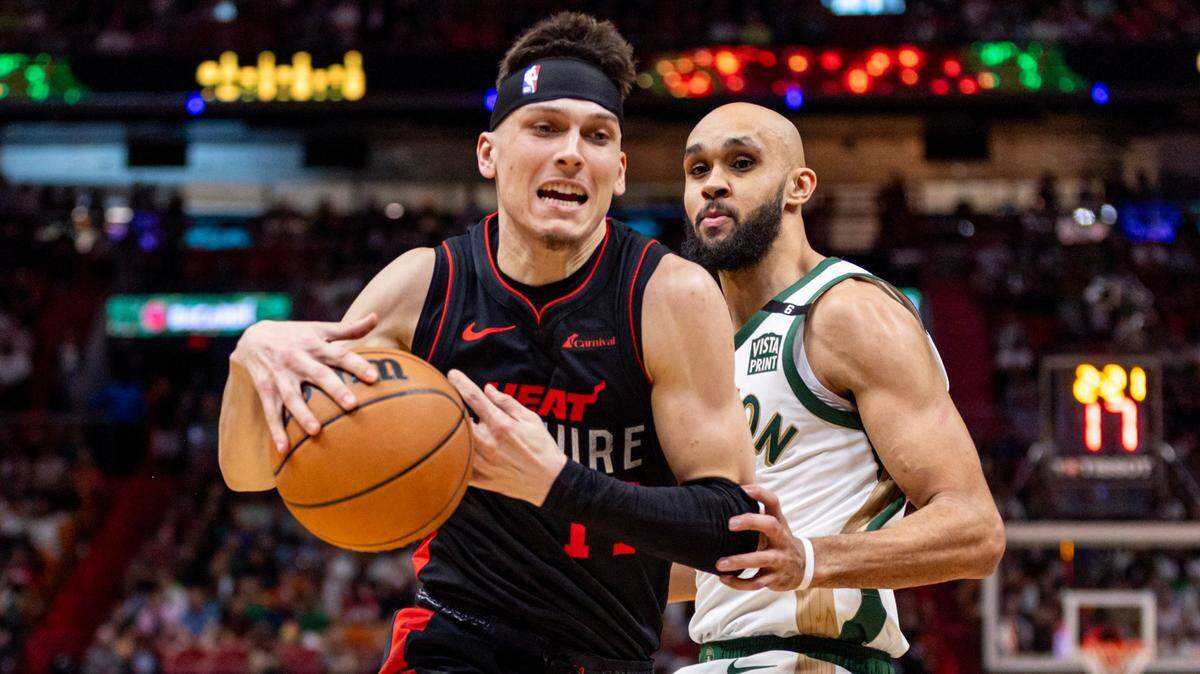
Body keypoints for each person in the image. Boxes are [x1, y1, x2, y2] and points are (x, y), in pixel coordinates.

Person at [217, 14, 761, 674]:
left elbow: (730, 530)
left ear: (617, 172)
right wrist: (250, 354)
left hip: (605, 654)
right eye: (544, 127)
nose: (570, 152)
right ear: (487, 153)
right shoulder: (423, 287)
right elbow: (251, 471)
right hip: (454, 638)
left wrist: (559, 483)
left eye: (596, 136)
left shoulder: (669, 296)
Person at [668, 103, 1006, 673]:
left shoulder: (846, 312)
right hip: (719, 659)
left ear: (799, 187)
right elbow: (720, 564)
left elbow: (975, 530)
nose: (714, 184)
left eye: (742, 163)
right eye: (697, 171)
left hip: (820, 659)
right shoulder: (699, 342)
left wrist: (806, 558)